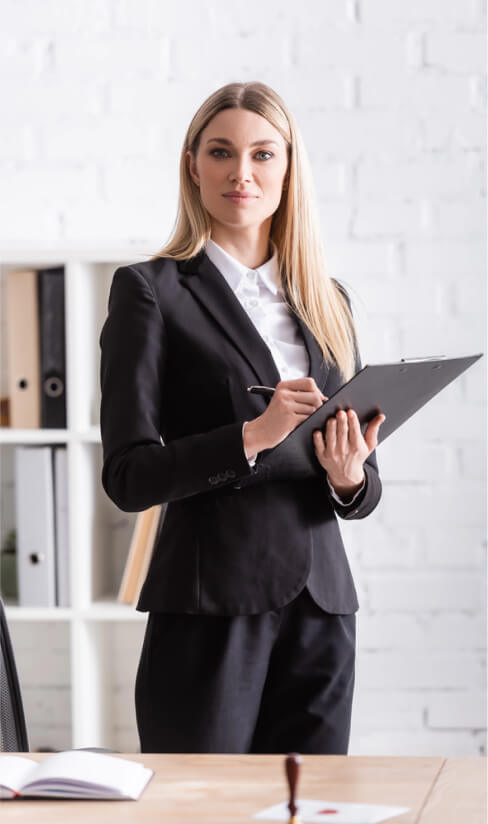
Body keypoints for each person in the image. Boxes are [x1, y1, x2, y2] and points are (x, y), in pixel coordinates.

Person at [99, 81, 385, 755]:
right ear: (192, 165)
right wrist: (252, 438)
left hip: (321, 606)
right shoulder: (151, 291)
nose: (242, 173)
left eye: (263, 154)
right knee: (203, 807)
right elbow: (129, 476)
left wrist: (349, 476)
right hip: (208, 608)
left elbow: (363, 489)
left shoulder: (327, 299)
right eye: (222, 152)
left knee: (310, 808)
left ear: (289, 169)